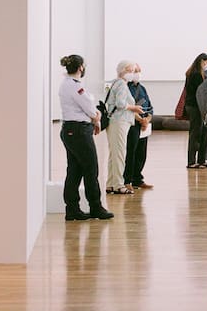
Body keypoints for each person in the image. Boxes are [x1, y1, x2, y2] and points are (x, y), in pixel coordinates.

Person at [57, 55, 114, 221]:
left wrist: (93, 118)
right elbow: (90, 108)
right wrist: (97, 117)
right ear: (81, 67)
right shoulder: (75, 87)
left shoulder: (66, 84)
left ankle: (72, 209)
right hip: (78, 131)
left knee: (74, 170)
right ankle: (95, 207)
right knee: (91, 169)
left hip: (72, 130)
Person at [104, 60, 145, 196]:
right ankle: (118, 185)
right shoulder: (121, 84)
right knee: (120, 154)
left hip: (116, 121)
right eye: (131, 71)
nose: (133, 74)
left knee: (114, 154)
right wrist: (134, 108)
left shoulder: (116, 82)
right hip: (120, 121)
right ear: (124, 70)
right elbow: (121, 104)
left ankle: (111, 183)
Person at [124, 62, 154, 190]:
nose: (138, 74)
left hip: (144, 125)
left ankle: (138, 178)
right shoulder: (125, 87)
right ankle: (127, 179)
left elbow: (150, 107)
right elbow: (126, 107)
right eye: (135, 71)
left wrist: (147, 119)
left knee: (142, 153)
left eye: (139, 71)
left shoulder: (142, 88)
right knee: (131, 152)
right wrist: (140, 120)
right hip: (132, 124)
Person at [183, 53, 207, 169]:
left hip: (196, 106)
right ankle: (191, 161)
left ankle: (201, 160)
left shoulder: (195, 73)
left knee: (204, 132)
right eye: (206, 63)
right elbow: (200, 94)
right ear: (201, 61)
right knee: (195, 133)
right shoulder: (196, 75)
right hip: (195, 107)